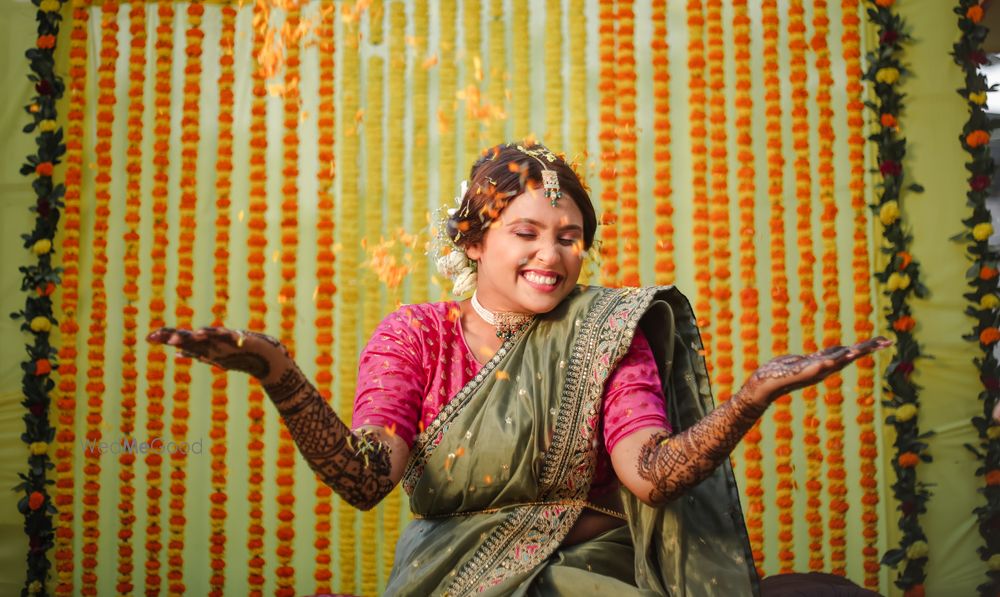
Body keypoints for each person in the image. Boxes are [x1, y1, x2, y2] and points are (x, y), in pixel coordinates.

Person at [147, 142, 891, 596]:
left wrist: (749, 399)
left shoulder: (607, 331)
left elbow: (651, 474)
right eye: (526, 232)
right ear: (474, 242)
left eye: (570, 237)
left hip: (607, 575)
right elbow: (367, 478)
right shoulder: (416, 335)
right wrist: (280, 374)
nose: (552, 254)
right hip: (457, 582)